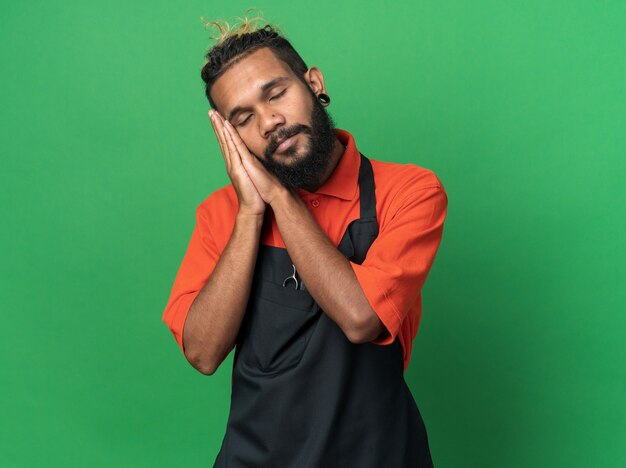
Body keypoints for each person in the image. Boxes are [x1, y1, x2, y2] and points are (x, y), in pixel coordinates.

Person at [162, 13, 448, 467]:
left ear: (313, 82)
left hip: (381, 454)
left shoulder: (409, 192)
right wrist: (252, 213)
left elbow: (361, 318)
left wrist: (275, 194)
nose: (270, 121)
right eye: (243, 118)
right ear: (230, 138)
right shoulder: (221, 215)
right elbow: (202, 352)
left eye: (276, 93)